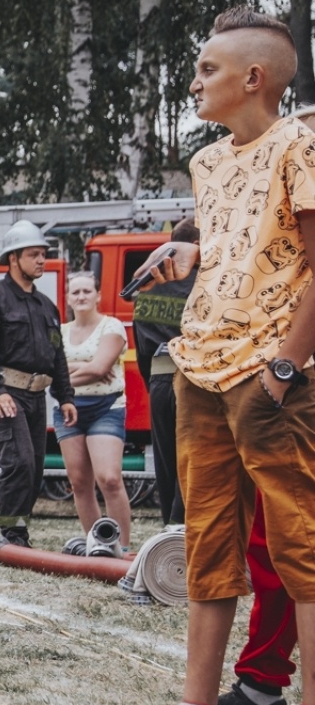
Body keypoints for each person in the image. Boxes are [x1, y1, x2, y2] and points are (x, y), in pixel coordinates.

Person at [120, 7, 315, 705]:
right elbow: (244, 241)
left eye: (206, 71)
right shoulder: (206, 162)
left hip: (268, 377)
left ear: (253, 79)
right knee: (208, 548)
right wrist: (190, 252)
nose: (194, 82)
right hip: (198, 369)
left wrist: (287, 369)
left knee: (302, 553)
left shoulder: (301, 142)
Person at [0, 220, 75, 550]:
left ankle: (19, 528)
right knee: (19, 461)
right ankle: (12, 535)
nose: (42, 260)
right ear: (13, 258)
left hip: (36, 395)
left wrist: (65, 396)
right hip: (5, 392)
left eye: (43, 254)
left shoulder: (47, 307)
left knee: (35, 468)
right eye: (34, 254)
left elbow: (57, 353)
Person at [56, 271, 132, 554]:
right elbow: (56, 371)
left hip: (106, 407)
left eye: (87, 291)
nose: (81, 296)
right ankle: (98, 547)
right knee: (79, 483)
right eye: (75, 292)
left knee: (109, 479)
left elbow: (100, 368)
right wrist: (81, 370)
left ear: (98, 295)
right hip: (68, 409)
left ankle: (122, 547)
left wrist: (64, 375)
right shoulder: (60, 333)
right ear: (68, 298)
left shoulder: (112, 327)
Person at [131, 218, 200, 527]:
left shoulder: (148, 287)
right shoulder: (210, 281)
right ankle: (188, 533)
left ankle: (169, 533)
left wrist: (157, 384)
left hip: (160, 378)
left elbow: (143, 348)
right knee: (198, 460)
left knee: (167, 462)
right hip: (200, 380)